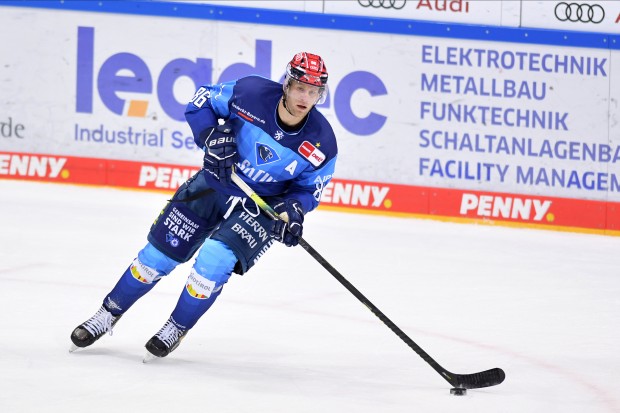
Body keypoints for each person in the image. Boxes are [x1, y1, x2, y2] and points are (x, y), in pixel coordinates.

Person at [69, 52, 338, 360]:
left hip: (261, 206)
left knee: (214, 259)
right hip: (215, 183)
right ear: (286, 85)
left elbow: (308, 189)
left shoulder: (322, 143)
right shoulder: (249, 92)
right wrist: (210, 135)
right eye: (300, 87)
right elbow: (201, 101)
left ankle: (175, 327)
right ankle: (107, 313)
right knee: (155, 258)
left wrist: (293, 212)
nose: (306, 97)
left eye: (314, 91)